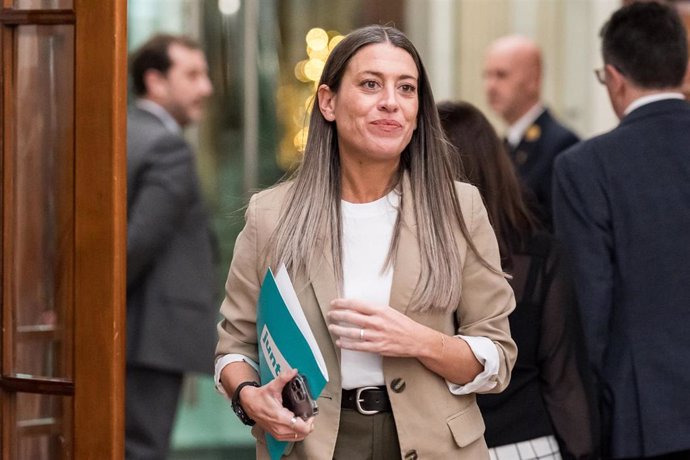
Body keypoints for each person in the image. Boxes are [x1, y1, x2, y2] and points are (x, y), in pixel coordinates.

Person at [215, 25, 517, 459]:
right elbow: (234, 346)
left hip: (435, 443)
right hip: (315, 444)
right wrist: (248, 397)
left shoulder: (458, 207)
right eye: (371, 84)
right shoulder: (272, 215)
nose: (390, 102)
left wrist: (420, 341)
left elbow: (498, 358)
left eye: (406, 88)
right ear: (328, 102)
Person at [552, 2, 690, 458]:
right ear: (683, 69)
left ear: (613, 76)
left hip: (646, 417)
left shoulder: (585, 167)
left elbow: (590, 305)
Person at [438, 100, 594, 460]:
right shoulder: (539, 255)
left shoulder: (414, 260)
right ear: (497, 164)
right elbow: (564, 379)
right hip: (530, 444)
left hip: (443, 446)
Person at [126, 34, 217, 459]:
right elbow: (135, 244)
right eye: (193, 75)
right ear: (155, 81)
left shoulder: (121, 132)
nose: (206, 88)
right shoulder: (166, 146)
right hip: (149, 337)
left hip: (131, 334)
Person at [483, 35, 579, 228]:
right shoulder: (504, 143)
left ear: (533, 81)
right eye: (487, 75)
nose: (490, 86)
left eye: (501, 75)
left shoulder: (560, 144)